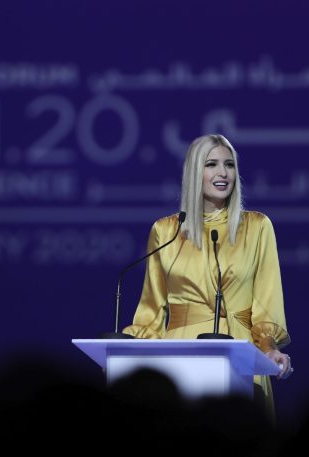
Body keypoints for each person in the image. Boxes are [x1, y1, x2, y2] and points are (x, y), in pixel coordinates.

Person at [123, 134, 292, 419]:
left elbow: (267, 302)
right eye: (211, 164)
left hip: (239, 351)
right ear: (194, 171)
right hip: (180, 352)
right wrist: (125, 356)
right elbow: (150, 312)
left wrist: (269, 347)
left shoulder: (257, 227)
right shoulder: (165, 232)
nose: (223, 173)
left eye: (229, 165)